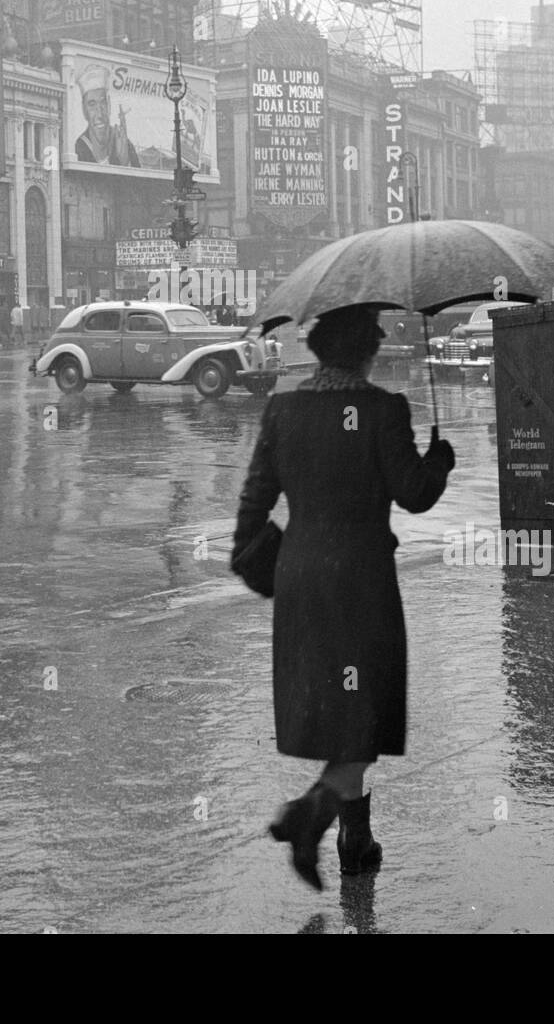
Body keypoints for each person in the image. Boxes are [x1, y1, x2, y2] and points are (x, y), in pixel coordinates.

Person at [233, 303, 455, 891]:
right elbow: (415, 495)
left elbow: (253, 504)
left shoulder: (283, 410)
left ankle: (354, 838)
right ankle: (311, 817)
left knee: (345, 718)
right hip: (362, 583)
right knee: (366, 711)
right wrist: (440, 461)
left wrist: (268, 563)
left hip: (302, 580)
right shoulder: (383, 410)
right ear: (365, 350)